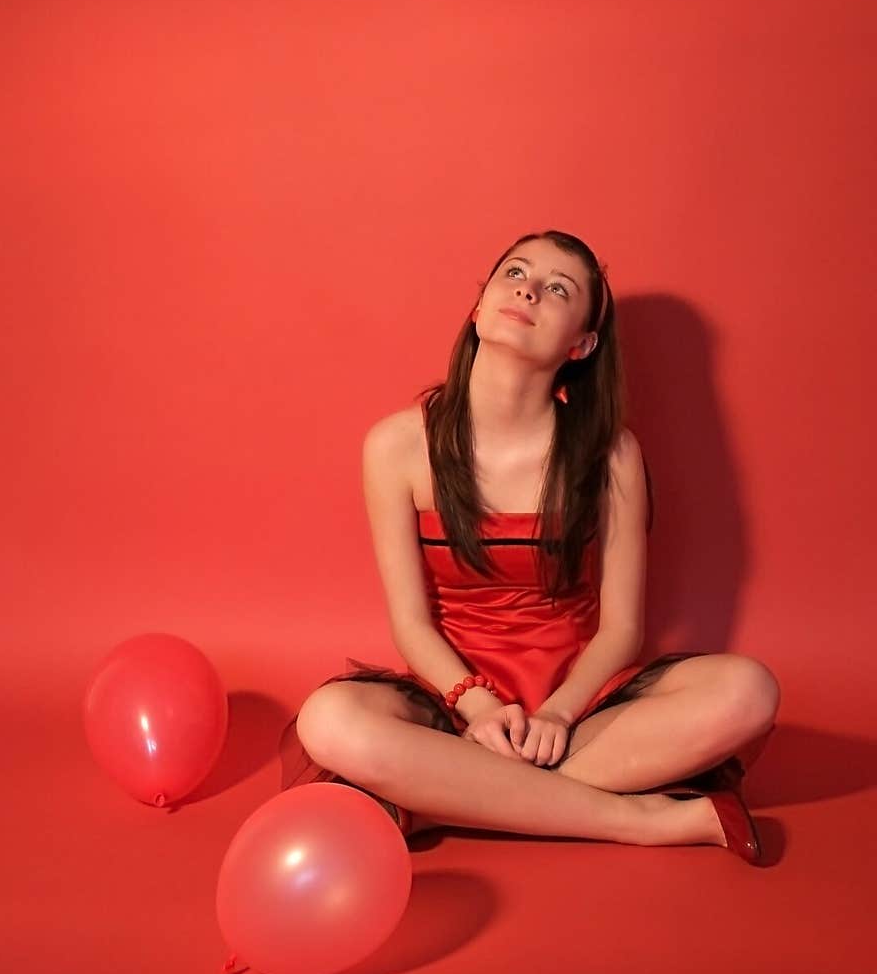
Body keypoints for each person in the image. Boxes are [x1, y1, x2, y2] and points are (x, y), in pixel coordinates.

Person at [280, 229, 780, 863]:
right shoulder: (396, 446)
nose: (528, 288)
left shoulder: (611, 453)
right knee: (328, 720)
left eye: (558, 289)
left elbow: (622, 629)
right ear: (479, 307)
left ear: (582, 344)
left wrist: (558, 717)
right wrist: (480, 707)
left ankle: (433, 796)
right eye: (515, 273)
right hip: (452, 700)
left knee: (749, 691)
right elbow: (410, 623)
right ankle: (642, 821)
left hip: (580, 710)